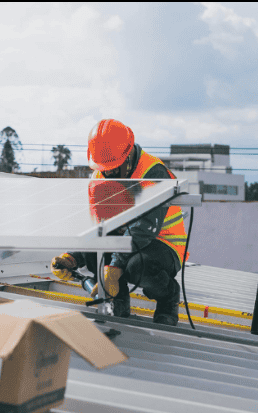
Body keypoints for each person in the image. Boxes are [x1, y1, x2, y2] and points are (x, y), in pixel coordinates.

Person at [51, 119, 189, 325]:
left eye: (113, 169)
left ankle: (168, 298)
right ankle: (117, 306)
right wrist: (73, 257)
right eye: (103, 169)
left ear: (128, 155)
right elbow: (99, 229)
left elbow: (144, 228)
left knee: (136, 266)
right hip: (126, 241)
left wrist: (115, 267)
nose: (107, 174)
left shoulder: (153, 172)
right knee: (96, 253)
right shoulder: (100, 176)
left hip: (163, 245)